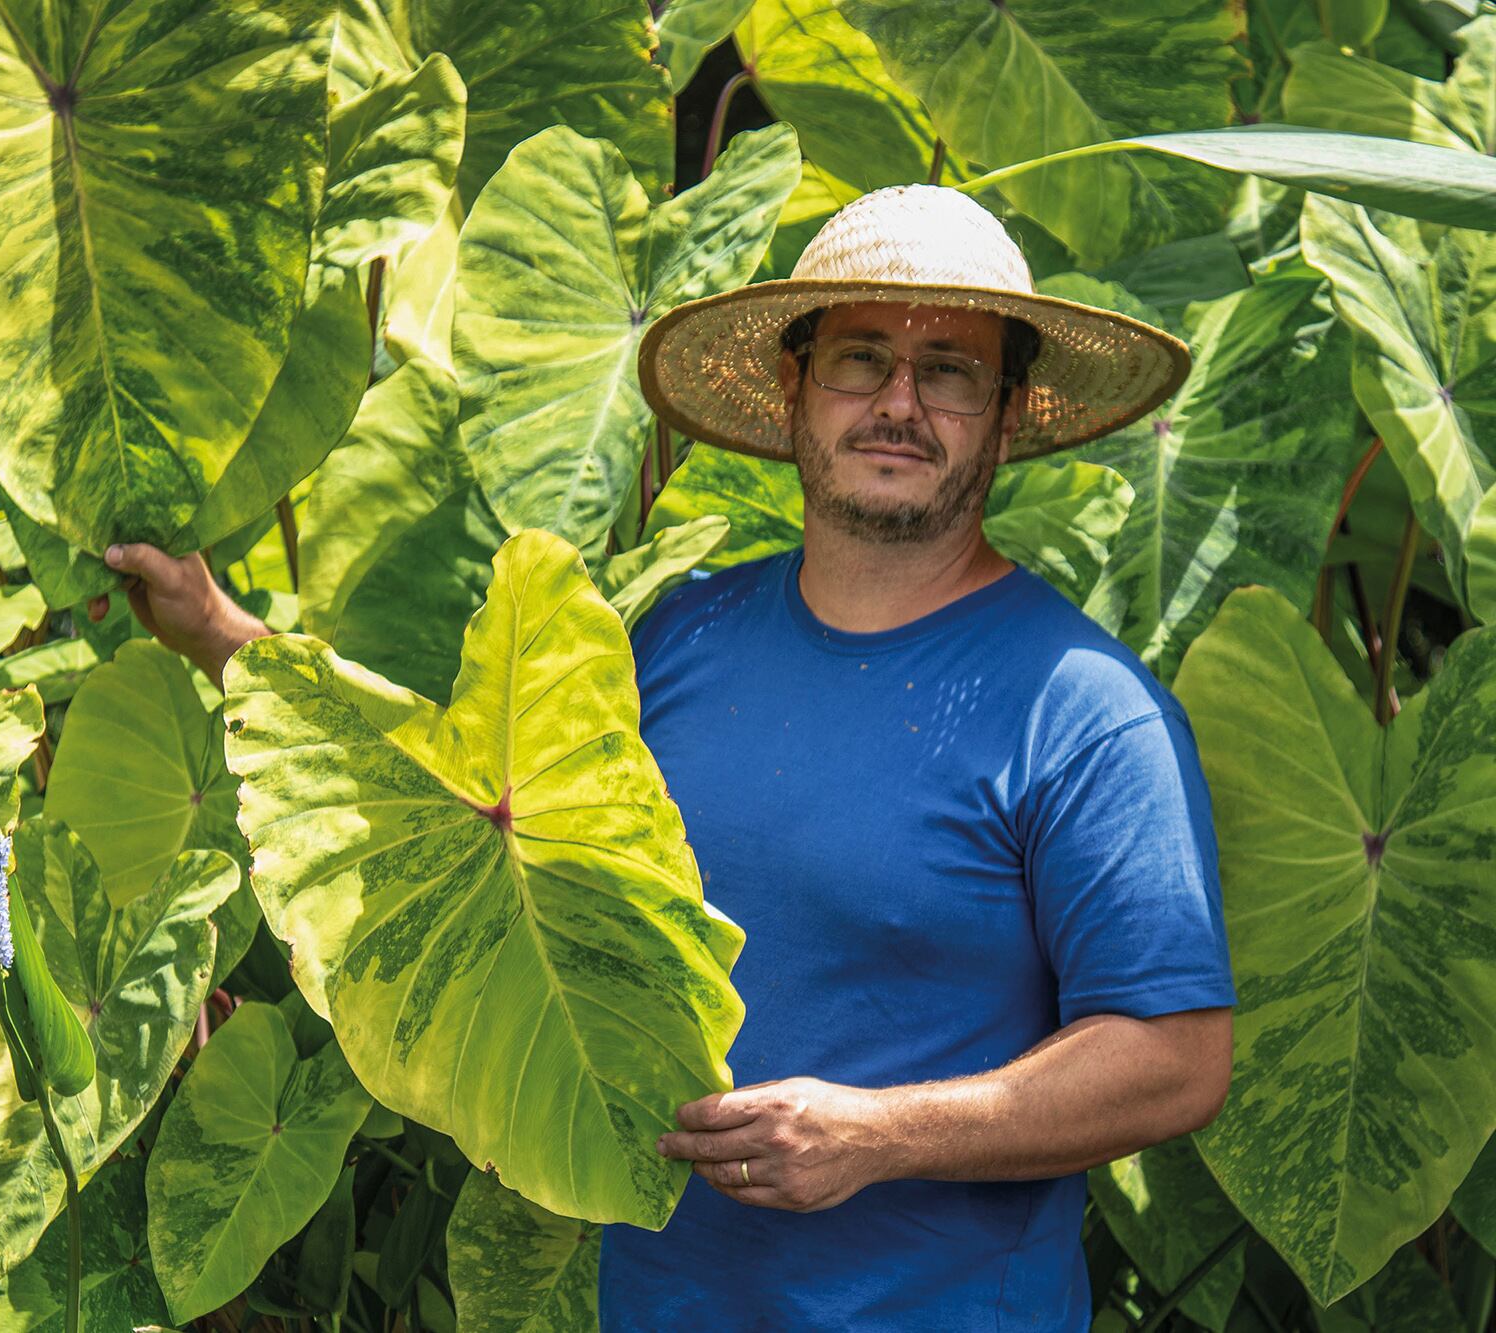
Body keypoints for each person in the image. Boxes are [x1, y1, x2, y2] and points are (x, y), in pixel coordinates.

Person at [96, 183, 1236, 1331]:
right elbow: (457, 802)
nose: (898, 403)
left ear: (1002, 413)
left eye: (947, 369)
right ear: (792, 389)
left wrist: (876, 1137)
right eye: (856, 360)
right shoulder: (677, 636)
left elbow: (1175, 1055)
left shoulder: (1082, 709)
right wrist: (217, 634)